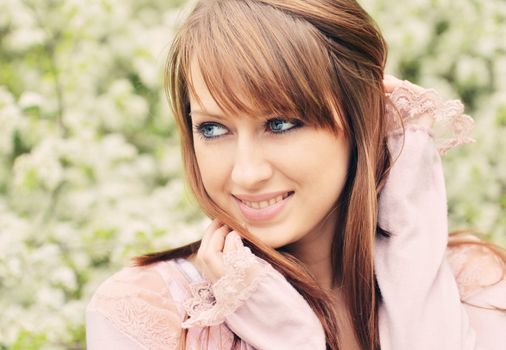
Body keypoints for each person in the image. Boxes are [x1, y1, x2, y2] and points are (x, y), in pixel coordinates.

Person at [85, 0, 506, 349]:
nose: (246, 173)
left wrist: (413, 240)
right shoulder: (149, 314)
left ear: (364, 122)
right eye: (213, 129)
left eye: (281, 124)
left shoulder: (471, 282)